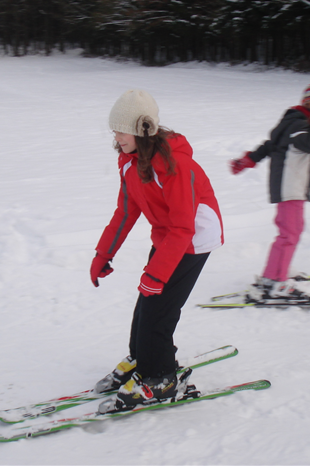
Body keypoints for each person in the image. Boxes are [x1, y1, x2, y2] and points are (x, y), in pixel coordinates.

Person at [90, 89, 224, 409]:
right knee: (146, 303)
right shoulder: (130, 162)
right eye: (114, 130)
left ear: (142, 129)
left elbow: (184, 227)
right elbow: (126, 211)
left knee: (158, 310)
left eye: (122, 130)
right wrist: (103, 254)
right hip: (168, 235)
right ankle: (142, 358)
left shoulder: (176, 165)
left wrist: (157, 274)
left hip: (193, 239)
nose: (116, 137)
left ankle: (160, 378)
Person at [230, 82, 310, 304]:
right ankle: (274, 282)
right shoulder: (298, 123)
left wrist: (248, 160)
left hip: (290, 186)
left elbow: (270, 145)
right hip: (291, 187)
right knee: (290, 233)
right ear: (307, 102)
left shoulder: (293, 122)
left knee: (291, 230)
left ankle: (279, 270)